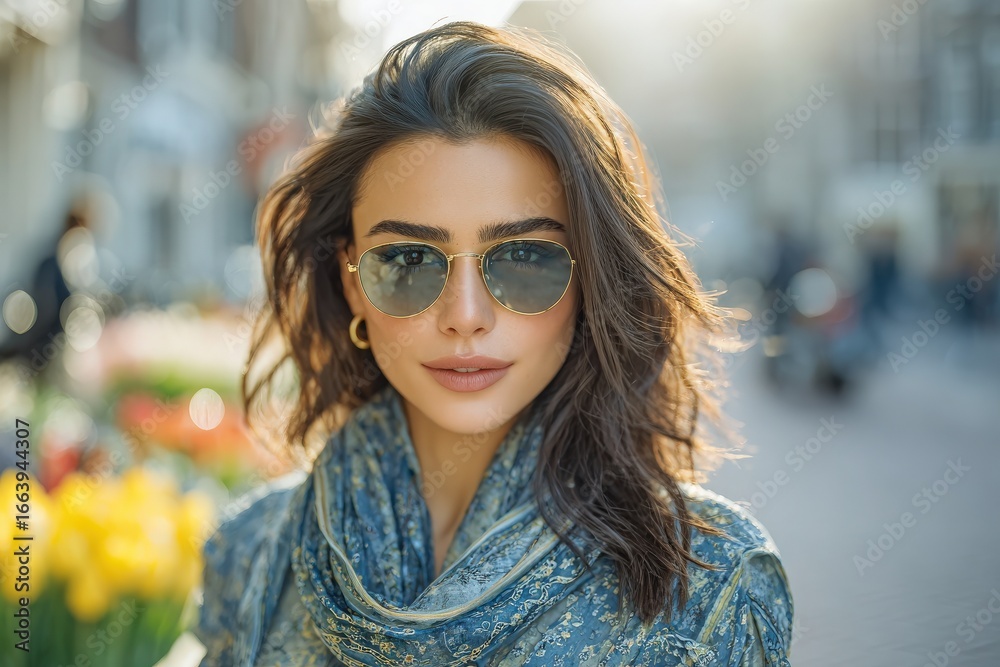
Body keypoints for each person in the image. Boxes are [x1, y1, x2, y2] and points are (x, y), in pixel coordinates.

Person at [194, 21, 794, 666]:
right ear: (351, 285)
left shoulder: (708, 587)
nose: (465, 316)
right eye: (407, 261)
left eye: (526, 259)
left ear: (591, 279)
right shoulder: (250, 551)